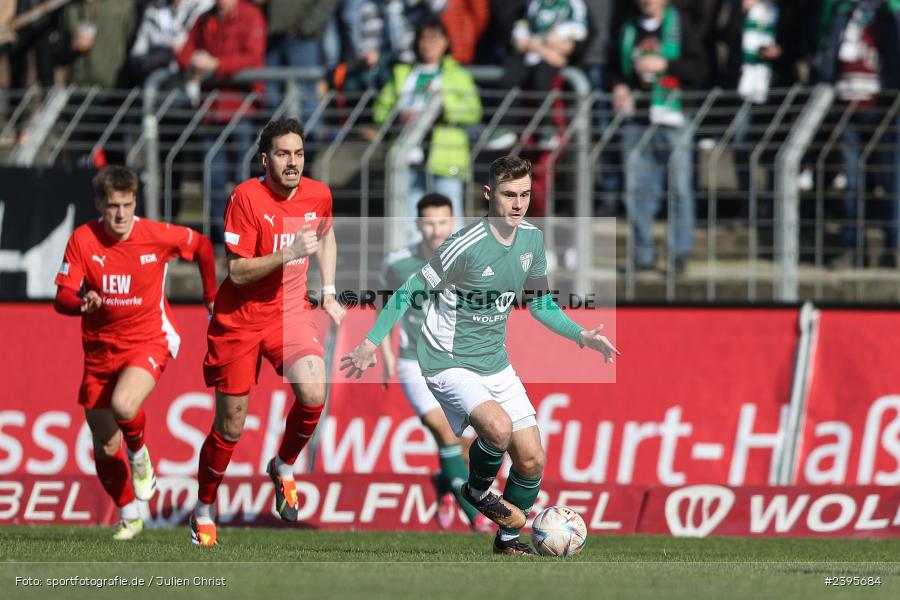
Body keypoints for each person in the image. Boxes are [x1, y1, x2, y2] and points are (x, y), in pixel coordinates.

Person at [341, 156, 620, 555]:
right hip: (446, 360)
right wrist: (371, 343)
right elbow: (407, 292)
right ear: (489, 194)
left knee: (531, 458)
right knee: (498, 428)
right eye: (509, 194)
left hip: (495, 361)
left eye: (525, 194)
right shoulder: (464, 244)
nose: (518, 203)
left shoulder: (531, 240)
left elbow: (540, 305)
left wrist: (581, 336)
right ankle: (475, 489)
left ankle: (507, 541)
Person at [191, 118, 344, 547]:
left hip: (290, 313)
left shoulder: (318, 194)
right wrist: (287, 252)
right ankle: (203, 508)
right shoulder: (245, 197)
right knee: (231, 426)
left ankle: (284, 464)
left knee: (315, 391)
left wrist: (328, 290)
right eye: (282, 154)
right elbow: (237, 272)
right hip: (239, 319)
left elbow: (326, 236)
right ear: (265, 159)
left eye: (298, 153)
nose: (292, 162)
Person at [53, 165, 217, 541]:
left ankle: (140, 457)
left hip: (149, 339)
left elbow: (204, 247)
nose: (121, 214)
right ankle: (129, 514)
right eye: (113, 206)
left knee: (125, 405)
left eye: (127, 205)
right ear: (100, 204)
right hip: (99, 352)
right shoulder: (83, 240)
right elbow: (61, 295)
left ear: (135, 203)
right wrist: (80, 302)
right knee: (105, 446)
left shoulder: (155, 235)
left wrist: (210, 297)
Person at [379, 193, 491, 532]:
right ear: (418, 224)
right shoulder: (397, 264)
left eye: (443, 222)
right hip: (413, 362)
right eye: (429, 222)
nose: (436, 229)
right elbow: (384, 308)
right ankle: (478, 517)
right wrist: (385, 358)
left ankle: (446, 485)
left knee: (468, 442)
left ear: (453, 223)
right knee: (444, 432)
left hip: (459, 363)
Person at [608, 0, 704, 274]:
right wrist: (619, 86)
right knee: (637, 189)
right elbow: (612, 66)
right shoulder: (626, 25)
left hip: (674, 116)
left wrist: (667, 63)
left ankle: (679, 254)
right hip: (637, 118)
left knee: (680, 188)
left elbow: (699, 67)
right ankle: (642, 254)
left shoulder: (680, 23)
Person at [373, 15, 481, 234]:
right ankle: (415, 266)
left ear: (446, 42)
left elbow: (473, 110)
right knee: (410, 221)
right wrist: (398, 116)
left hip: (446, 156)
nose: (428, 44)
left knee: (450, 217)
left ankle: (455, 265)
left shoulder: (457, 74)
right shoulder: (402, 73)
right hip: (409, 153)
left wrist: (442, 108)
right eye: (424, 38)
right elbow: (380, 111)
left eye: (435, 38)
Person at [176, 0, 267, 245]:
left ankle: (247, 241)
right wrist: (193, 65)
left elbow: (253, 57)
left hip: (241, 110)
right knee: (212, 180)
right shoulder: (205, 18)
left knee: (244, 180)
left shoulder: (251, 15)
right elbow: (185, 53)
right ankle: (221, 242)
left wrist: (216, 65)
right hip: (211, 112)